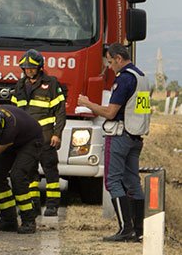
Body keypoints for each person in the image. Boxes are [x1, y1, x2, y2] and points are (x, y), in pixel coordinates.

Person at [78, 43, 151, 242]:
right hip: (136, 137)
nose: (110, 66)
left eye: (110, 62)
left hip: (120, 135)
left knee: (113, 181)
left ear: (118, 58)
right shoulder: (142, 77)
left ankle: (125, 230)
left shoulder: (125, 79)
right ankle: (139, 230)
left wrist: (88, 104)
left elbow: (110, 112)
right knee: (133, 183)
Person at [10, 49, 66, 217]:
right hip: (26, 139)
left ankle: (52, 205)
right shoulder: (19, 86)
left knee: (50, 171)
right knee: (29, 172)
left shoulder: (51, 84)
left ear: (40, 67)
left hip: (46, 136)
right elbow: (14, 112)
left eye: (32, 68)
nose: (29, 71)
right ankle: (33, 205)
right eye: (26, 68)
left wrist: (57, 134)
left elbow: (60, 112)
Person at [0, 105, 43, 234]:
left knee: (18, 176)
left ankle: (29, 220)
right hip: (15, 139)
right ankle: (8, 220)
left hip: (31, 142)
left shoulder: (9, 131)